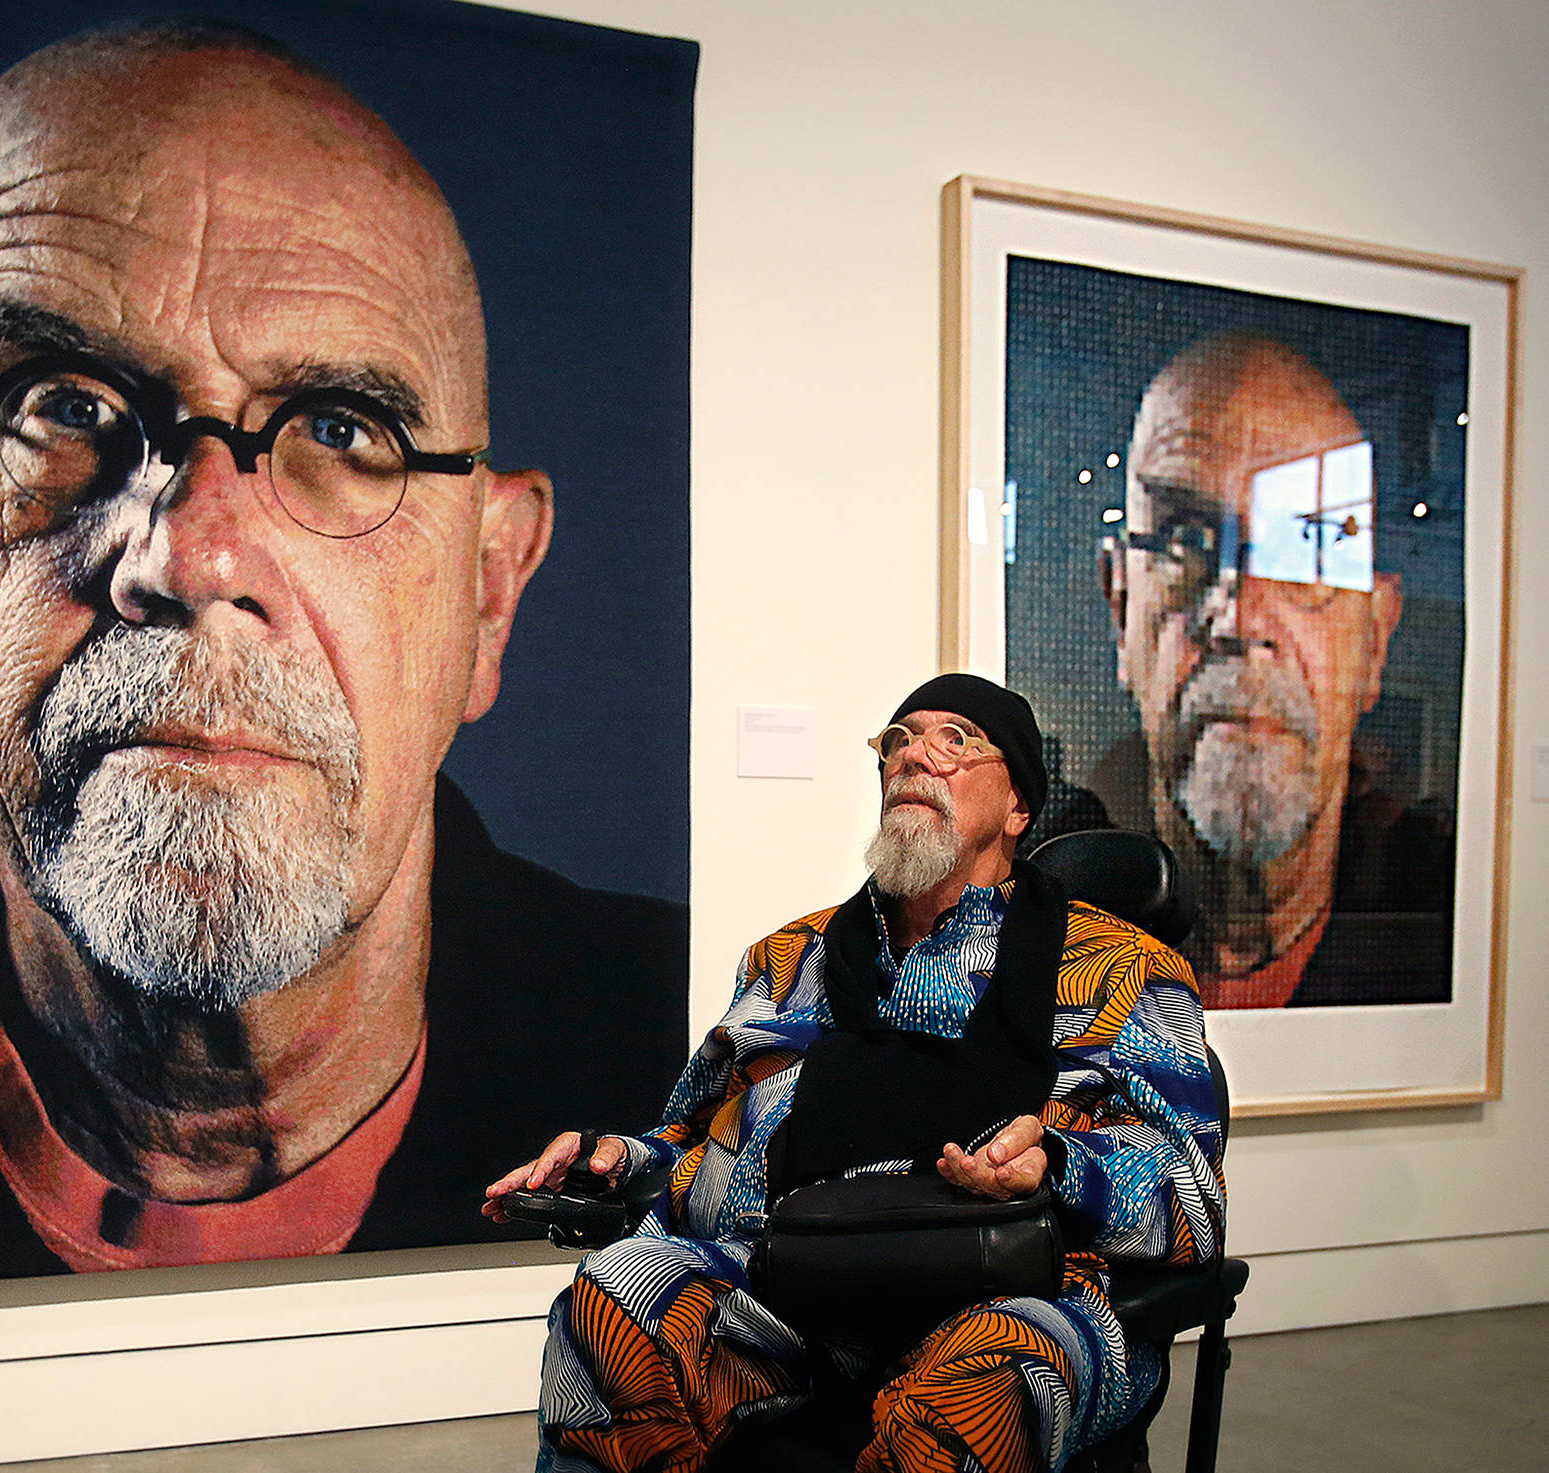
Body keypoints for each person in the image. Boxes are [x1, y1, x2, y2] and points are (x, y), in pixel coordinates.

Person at [0, 20, 686, 1303]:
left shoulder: (704, 1081)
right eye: (65, 406)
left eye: (339, 429)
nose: (191, 560)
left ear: (488, 588)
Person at [489, 674, 1224, 1473]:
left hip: (1017, 1291)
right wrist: (614, 1161)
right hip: (801, 1281)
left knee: (981, 1385)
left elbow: (1195, 1199)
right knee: (616, 1292)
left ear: (1018, 809)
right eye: (899, 740)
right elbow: (695, 1140)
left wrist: (1062, 1164)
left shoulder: (1124, 970)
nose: (914, 758)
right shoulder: (787, 960)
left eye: (955, 740)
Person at [1094, 332, 1446, 1009]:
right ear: (1121, 606)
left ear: (1375, 638)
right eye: (1184, 539)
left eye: (1308, 547)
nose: (1241, 618)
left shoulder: (1425, 930)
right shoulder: (1037, 928)